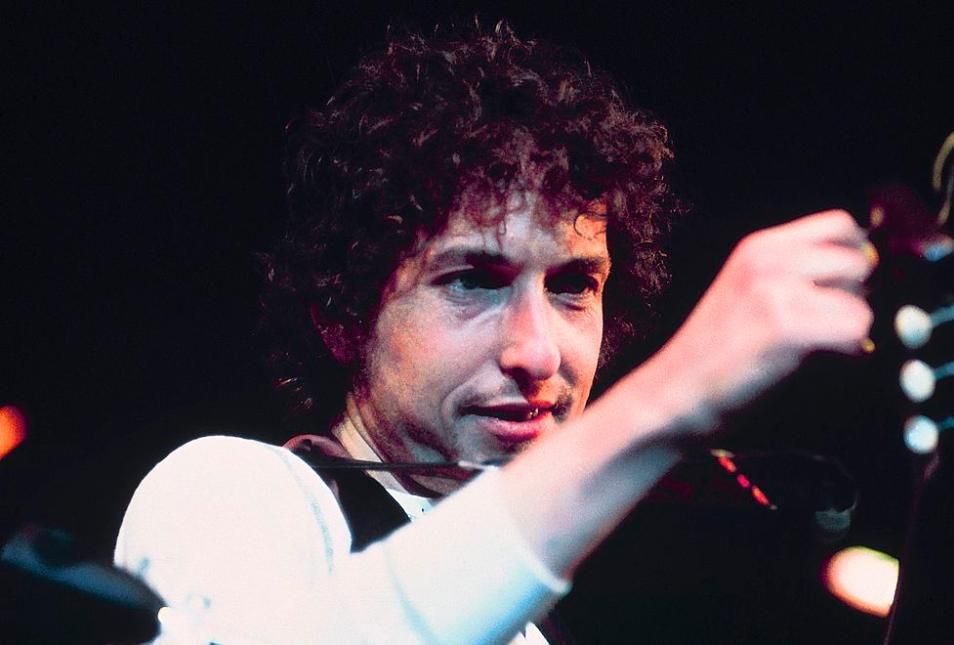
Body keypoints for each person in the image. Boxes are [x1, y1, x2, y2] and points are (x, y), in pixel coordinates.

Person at [114, 20, 876, 644]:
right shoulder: (229, 490)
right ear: (343, 315)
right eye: (473, 281)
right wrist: (671, 396)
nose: (537, 353)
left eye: (573, 286)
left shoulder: (530, 621)